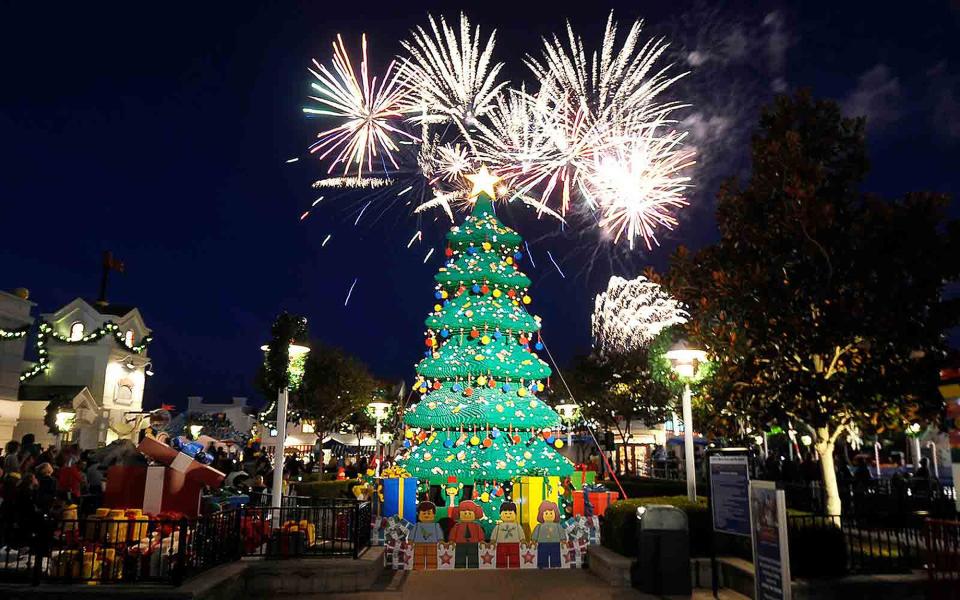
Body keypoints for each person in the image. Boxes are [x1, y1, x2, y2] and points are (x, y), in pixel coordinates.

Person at [448, 500, 485, 568]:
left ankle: (474, 569)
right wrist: (452, 540)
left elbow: (480, 533)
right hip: (460, 543)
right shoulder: (457, 526)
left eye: (470, 513)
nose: (467, 515)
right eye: (464, 513)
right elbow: (453, 533)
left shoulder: (476, 526)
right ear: (459, 514)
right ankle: (459, 570)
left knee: (473, 558)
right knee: (459, 558)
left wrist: (481, 540)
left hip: (473, 543)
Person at [410, 501, 444, 569]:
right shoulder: (417, 526)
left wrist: (440, 541)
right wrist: (410, 541)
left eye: (429, 513)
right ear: (418, 515)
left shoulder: (436, 525)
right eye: (424, 513)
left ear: (434, 514)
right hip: (418, 544)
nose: (426, 515)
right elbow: (412, 534)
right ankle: (418, 567)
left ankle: (432, 567)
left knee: (432, 557)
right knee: (418, 556)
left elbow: (439, 535)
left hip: (433, 544)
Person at [490, 501, 524, 569]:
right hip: (501, 545)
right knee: (501, 557)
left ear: (515, 514)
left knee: (514, 557)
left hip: (515, 545)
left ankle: (515, 567)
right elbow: (493, 537)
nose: (508, 515)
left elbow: (522, 536)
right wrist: (492, 542)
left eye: (510, 513)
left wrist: (523, 541)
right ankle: (501, 567)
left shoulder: (517, 526)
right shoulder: (498, 526)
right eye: (505, 513)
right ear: (500, 514)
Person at [530, 500, 563, 568]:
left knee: (555, 555)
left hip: (555, 543)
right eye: (546, 513)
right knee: (542, 555)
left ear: (555, 514)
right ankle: (542, 565)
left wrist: (563, 540)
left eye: (551, 513)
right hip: (542, 543)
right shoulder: (539, 526)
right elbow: (535, 534)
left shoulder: (557, 526)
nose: (549, 515)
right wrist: (533, 541)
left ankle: (555, 565)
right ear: (541, 514)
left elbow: (561, 533)